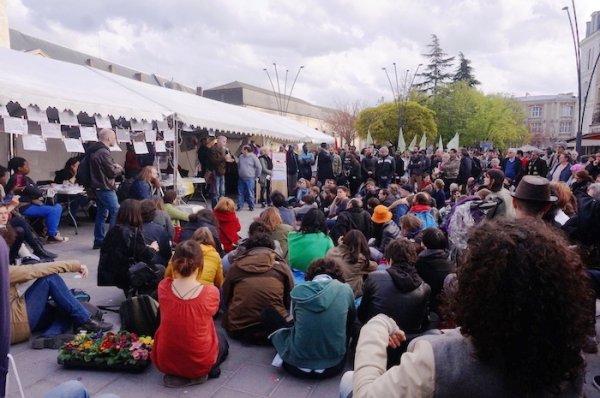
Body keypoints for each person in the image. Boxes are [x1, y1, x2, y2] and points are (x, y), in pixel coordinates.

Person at [341, 219, 591, 398]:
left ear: (476, 287)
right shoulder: (570, 362)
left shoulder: (440, 359)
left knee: (348, 382)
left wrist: (377, 325)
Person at [1, 227, 112, 348]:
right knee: (50, 279)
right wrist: (75, 265)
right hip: (13, 324)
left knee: (67, 303)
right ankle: (85, 321)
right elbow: (33, 271)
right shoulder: (4, 270)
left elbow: (22, 275)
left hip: (14, 322)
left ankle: (50, 335)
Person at [152, 241, 229, 387]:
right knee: (221, 339)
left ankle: (182, 371)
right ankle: (198, 373)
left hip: (164, 361)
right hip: (200, 361)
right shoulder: (211, 293)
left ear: (174, 263)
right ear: (200, 265)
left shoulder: (163, 287)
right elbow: (212, 313)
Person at [269, 258, 355, 379]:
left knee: (268, 314)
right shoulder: (346, 289)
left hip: (295, 366)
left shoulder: (298, 291)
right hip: (334, 367)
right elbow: (350, 321)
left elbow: (295, 321)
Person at [222, 233, 294, 344]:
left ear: (248, 249)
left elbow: (226, 296)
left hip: (239, 328)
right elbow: (290, 297)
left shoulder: (236, 266)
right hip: (276, 326)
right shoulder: (282, 267)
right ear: (272, 249)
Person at [97, 199, 159, 295]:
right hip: (126, 274)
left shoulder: (113, 230)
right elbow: (146, 255)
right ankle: (143, 301)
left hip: (109, 273)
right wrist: (153, 248)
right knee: (160, 269)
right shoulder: (133, 232)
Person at [5, 157, 68, 243]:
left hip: (30, 204)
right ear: (19, 168)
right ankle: (52, 235)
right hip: (23, 207)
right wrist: (37, 192)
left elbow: (34, 189)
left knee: (57, 206)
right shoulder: (18, 178)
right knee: (53, 210)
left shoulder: (24, 178)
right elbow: (33, 190)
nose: (28, 167)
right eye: (26, 165)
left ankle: (49, 231)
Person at [88, 128, 124, 249]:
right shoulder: (103, 152)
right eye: (114, 137)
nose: (115, 140)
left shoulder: (94, 151)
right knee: (116, 211)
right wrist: (119, 168)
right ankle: (111, 241)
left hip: (97, 187)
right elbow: (111, 173)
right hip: (105, 187)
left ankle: (99, 240)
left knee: (101, 213)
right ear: (108, 138)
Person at [327, 230, 377, 298]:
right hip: (350, 295)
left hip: (331, 291)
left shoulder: (331, 251)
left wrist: (340, 245)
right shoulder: (359, 259)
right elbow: (375, 267)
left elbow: (342, 254)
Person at [415, 227, 453, 315]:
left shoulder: (420, 263)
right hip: (445, 305)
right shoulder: (449, 262)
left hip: (428, 306)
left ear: (424, 244)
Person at [53, 156, 89, 220]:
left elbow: (80, 184)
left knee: (80, 197)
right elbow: (68, 184)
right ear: (72, 166)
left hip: (71, 194)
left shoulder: (77, 173)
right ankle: (72, 218)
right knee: (76, 199)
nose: (79, 167)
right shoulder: (64, 173)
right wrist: (75, 175)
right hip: (61, 194)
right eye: (77, 165)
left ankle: (72, 216)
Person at [139, 200, 172, 266]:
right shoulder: (159, 230)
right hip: (153, 265)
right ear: (154, 214)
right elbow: (167, 253)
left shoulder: (132, 228)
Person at [208, 136, 233, 207]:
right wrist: (224, 158)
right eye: (224, 141)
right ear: (218, 141)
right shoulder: (213, 149)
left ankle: (222, 206)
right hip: (215, 171)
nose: (225, 143)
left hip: (222, 171)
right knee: (216, 192)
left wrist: (229, 158)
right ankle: (215, 207)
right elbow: (213, 160)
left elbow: (227, 158)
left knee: (222, 191)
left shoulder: (224, 149)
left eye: (225, 142)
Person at [237, 145, 262, 211]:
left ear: (246, 150)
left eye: (242, 149)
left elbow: (259, 167)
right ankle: (240, 206)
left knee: (250, 193)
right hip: (241, 177)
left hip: (250, 178)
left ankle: (251, 206)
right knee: (240, 193)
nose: (241, 151)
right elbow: (239, 165)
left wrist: (256, 176)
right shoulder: (241, 157)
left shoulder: (253, 157)